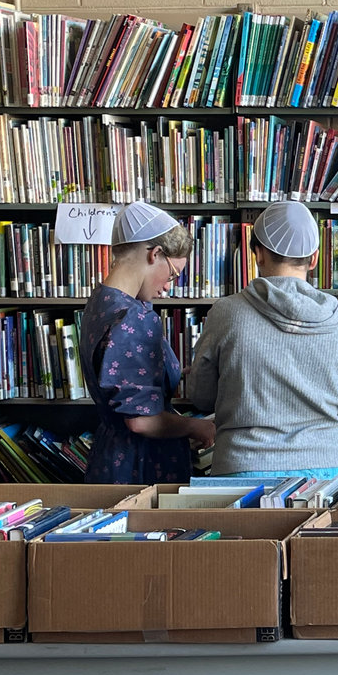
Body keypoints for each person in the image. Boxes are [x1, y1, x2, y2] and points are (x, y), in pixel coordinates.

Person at [188, 201, 338, 482]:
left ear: (258, 254)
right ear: (313, 259)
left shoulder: (226, 314)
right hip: (330, 472)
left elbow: (201, 396)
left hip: (243, 468)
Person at [79, 201, 215, 484]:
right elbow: (141, 420)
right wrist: (197, 427)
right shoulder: (133, 317)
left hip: (110, 455)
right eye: (173, 273)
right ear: (155, 254)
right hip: (141, 466)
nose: (169, 285)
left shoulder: (100, 301)